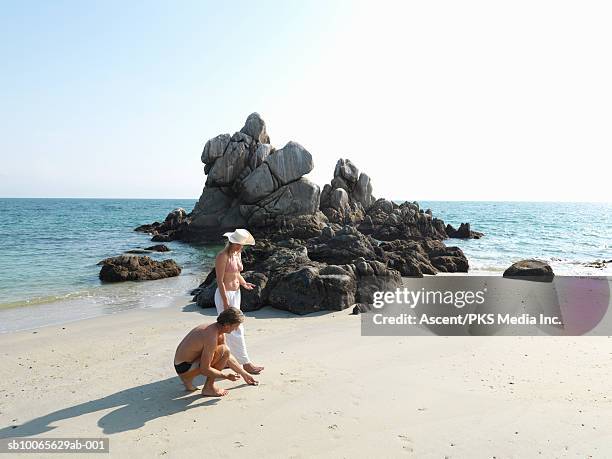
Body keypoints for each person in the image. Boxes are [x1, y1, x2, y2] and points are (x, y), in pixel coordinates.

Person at [173, 307, 258, 396]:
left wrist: (244, 374)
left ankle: (188, 380)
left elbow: (227, 356)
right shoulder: (211, 336)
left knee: (224, 350)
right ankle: (208, 388)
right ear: (227, 325)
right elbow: (204, 369)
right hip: (184, 368)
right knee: (223, 350)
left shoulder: (216, 329)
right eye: (235, 326)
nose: (236, 329)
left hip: (184, 364)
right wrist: (225, 375)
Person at [214, 228, 264, 375]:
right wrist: (225, 302)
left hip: (236, 294)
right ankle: (246, 364)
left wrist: (243, 283)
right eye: (238, 244)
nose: (241, 247)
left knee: (229, 329)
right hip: (225, 295)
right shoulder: (222, 256)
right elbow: (220, 281)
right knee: (235, 328)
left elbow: (236, 273)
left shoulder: (237, 253)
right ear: (231, 242)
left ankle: (226, 361)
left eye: (242, 244)